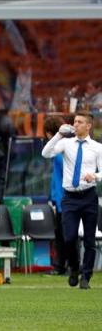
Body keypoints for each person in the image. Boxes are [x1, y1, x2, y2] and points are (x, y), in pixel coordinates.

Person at [41, 111, 101, 290]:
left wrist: (95, 176)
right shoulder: (66, 143)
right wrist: (59, 134)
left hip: (89, 196)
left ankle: (86, 277)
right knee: (69, 237)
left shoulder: (97, 147)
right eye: (75, 121)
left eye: (80, 122)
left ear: (88, 126)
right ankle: (74, 268)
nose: (76, 125)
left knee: (89, 240)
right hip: (70, 198)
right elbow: (46, 153)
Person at [43, 115, 67, 275]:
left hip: (63, 199)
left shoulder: (58, 151)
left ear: (48, 133)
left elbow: (60, 178)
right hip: (61, 198)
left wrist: (55, 198)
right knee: (63, 233)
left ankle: (62, 266)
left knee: (63, 234)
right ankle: (65, 265)